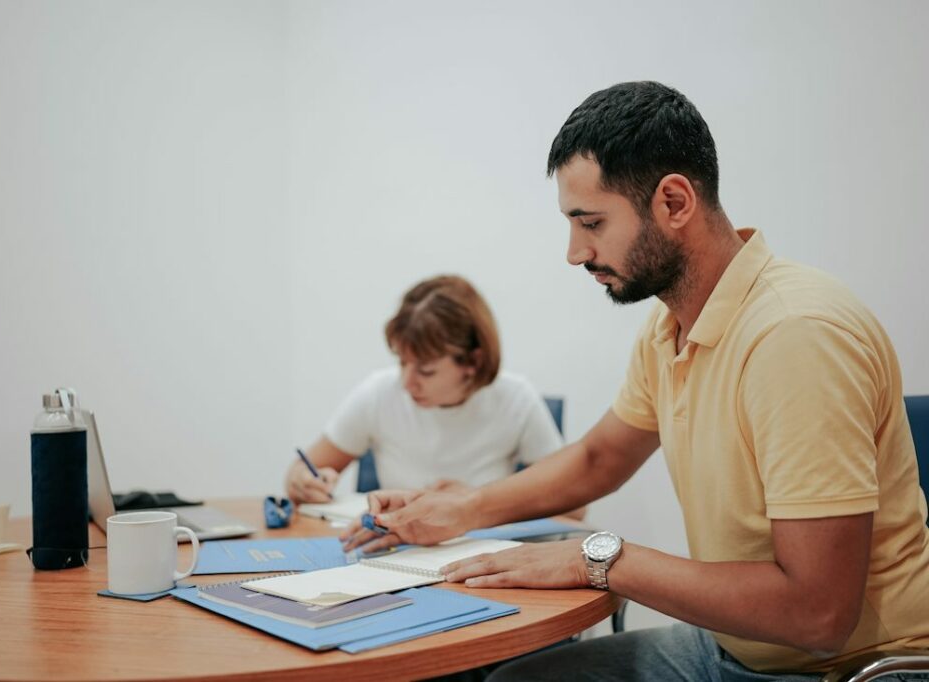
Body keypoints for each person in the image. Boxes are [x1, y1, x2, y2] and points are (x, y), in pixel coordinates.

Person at [343, 82, 929, 680]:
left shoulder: (794, 337)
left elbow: (818, 615)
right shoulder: (668, 327)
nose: (575, 252)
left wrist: (600, 560)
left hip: (848, 668)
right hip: (738, 649)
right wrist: (464, 507)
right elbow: (600, 458)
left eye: (591, 222)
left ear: (674, 203)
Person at [285, 274, 571, 511]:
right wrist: (302, 481)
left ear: (473, 361)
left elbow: (573, 508)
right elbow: (304, 471)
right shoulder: (379, 393)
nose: (407, 383)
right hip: (393, 553)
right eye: (402, 362)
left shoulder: (516, 400)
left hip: (482, 555)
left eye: (426, 370)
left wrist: (477, 503)